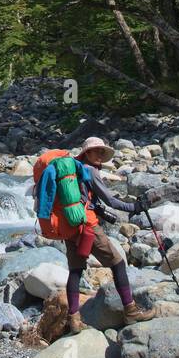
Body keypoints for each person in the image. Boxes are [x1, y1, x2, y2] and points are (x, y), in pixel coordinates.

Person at [33, 136, 144, 334]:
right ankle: (131, 310)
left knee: (76, 271)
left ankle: (74, 319)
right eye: (97, 151)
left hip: (70, 226)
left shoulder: (70, 170)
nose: (101, 155)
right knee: (118, 263)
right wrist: (133, 207)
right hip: (88, 226)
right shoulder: (89, 171)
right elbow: (110, 200)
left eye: (103, 152)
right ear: (87, 153)